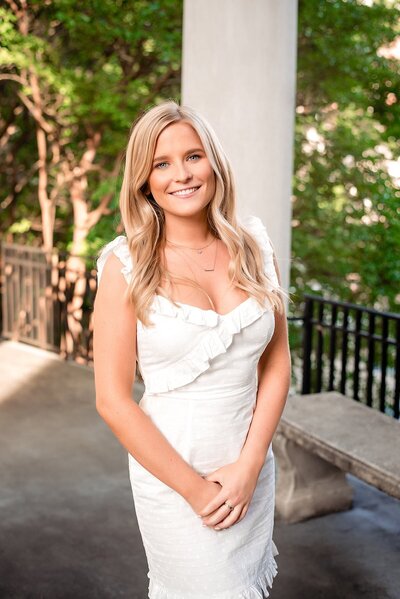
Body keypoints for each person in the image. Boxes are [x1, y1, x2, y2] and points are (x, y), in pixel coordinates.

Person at [93, 100, 291, 598]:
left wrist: (248, 466)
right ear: (144, 179)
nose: (181, 174)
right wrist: (197, 490)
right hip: (176, 477)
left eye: (193, 156)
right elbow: (112, 401)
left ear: (214, 163)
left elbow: (276, 365)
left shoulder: (255, 247)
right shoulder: (125, 265)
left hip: (249, 466)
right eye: (161, 163)